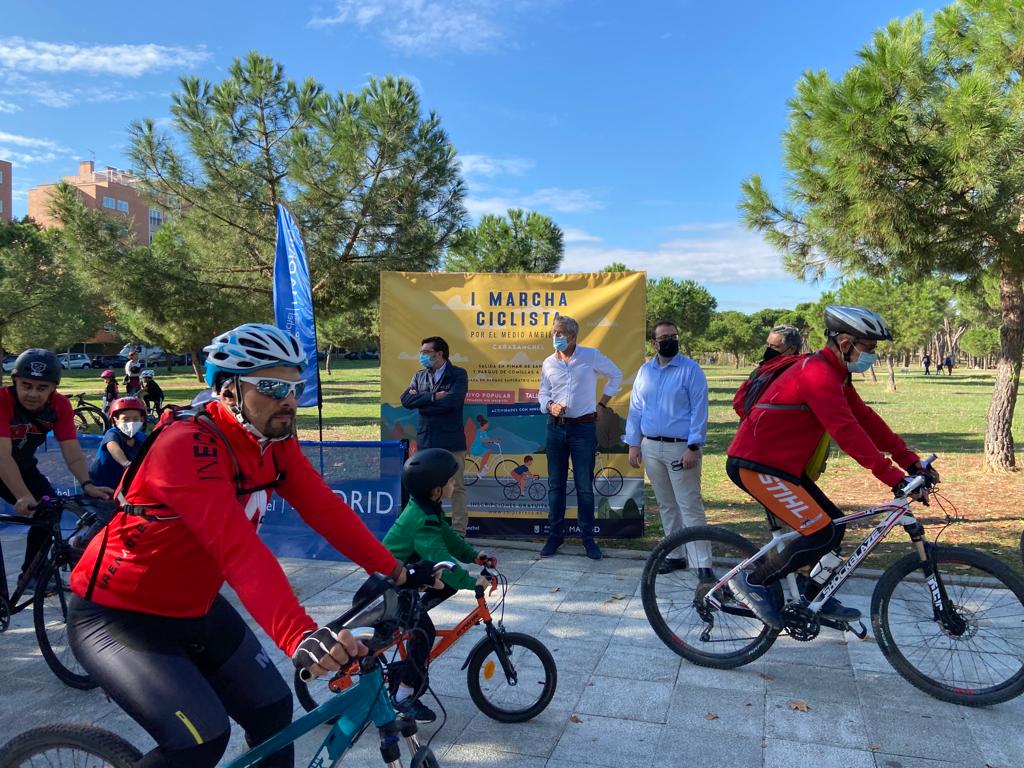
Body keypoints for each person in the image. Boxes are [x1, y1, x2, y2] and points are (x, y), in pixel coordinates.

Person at [67, 323, 437, 768]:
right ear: (228, 391)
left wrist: (397, 572)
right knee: (200, 740)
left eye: (295, 387)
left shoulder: (273, 439)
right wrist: (299, 635)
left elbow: (325, 510)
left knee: (273, 713)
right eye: (272, 387)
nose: (289, 400)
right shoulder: (185, 445)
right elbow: (238, 551)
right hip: (119, 614)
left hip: (194, 607)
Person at [725, 306, 936, 629]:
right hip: (757, 465)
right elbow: (846, 431)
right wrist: (893, 477)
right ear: (845, 342)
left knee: (835, 527)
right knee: (821, 531)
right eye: (869, 347)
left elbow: (865, 420)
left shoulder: (835, 373)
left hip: (782, 466)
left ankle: (812, 594)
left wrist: (909, 460)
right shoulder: (816, 373)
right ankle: (753, 581)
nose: (872, 355)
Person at [382, 448, 493, 724]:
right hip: (390, 586)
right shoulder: (421, 519)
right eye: (451, 480)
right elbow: (438, 557)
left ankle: (412, 616)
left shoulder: (428, 509)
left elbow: (449, 539)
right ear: (436, 490)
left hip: (407, 579)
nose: (454, 483)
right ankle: (403, 695)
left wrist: (474, 556)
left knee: (445, 586)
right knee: (424, 633)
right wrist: (471, 582)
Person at [0, 349, 114, 589]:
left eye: (42, 388)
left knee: (49, 510)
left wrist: (87, 484)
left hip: (23, 466)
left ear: (53, 388)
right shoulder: (3, 401)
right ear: (15, 381)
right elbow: (2, 456)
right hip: (3, 460)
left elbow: (71, 451)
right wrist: (22, 495)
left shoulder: (59, 405)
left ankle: (31, 575)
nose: (33, 394)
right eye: (26, 385)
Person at [624, 321, 711, 576]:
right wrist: (633, 443)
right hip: (651, 447)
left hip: (681, 448)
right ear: (654, 343)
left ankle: (702, 564)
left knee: (689, 505)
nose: (670, 340)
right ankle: (675, 556)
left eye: (673, 336)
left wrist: (694, 446)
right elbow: (636, 408)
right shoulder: (645, 372)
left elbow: (699, 410)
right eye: (664, 337)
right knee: (667, 505)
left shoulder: (691, 370)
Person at [537, 315, 622, 560]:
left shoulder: (590, 356)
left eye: (560, 333)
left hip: (583, 429)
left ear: (573, 336)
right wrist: (550, 405)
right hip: (555, 429)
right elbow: (543, 392)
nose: (555, 337)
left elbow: (616, 374)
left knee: (584, 486)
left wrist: (602, 404)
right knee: (555, 485)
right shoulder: (548, 362)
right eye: (554, 332)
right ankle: (555, 536)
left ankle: (588, 539)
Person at [400, 336, 470, 533]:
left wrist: (422, 403)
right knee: (427, 487)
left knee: (456, 487)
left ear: (440, 354)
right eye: (421, 352)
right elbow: (406, 400)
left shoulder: (458, 374)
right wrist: (432, 397)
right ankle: (429, 527)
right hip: (427, 440)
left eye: (426, 352)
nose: (422, 356)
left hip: (451, 440)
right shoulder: (419, 376)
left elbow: (452, 403)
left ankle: (459, 532)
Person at [72, 396, 148, 548]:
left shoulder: (141, 438)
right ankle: (82, 543)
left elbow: (152, 452)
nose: (131, 423)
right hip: (99, 486)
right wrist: (125, 462)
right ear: (115, 420)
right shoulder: (112, 434)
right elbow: (114, 448)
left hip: (120, 488)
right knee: (108, 515)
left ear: (142, 419)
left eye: (135, 419)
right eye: (126, 419)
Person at [468, 415, 499, 479]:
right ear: (484, 425)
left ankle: (484, 464)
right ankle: (479, 472)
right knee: (487, 452)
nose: (488, 425)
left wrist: (493, 442)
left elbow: (487, 440)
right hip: (475, 448)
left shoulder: (484, 432)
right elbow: (483, 440)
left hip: (479, 447)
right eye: (487, 424)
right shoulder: (478, 431)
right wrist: (493, 440)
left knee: (488, 451)